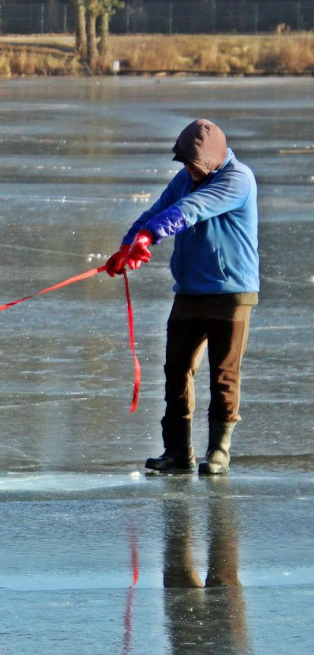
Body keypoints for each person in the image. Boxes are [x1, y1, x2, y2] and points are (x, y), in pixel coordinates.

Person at [105, 119, 258, 475]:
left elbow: (190, 211)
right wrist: (128, 246)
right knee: (176, 370)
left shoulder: (238, 179)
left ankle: (219, 452)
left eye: (195, 164)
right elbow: (155, 213)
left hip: (231, 293)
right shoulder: (184, 179)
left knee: (223, 375)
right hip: (188, 292)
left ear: (213, 160)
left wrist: (150, 237)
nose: (189, 170)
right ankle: (177, 452)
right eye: (186, 163)